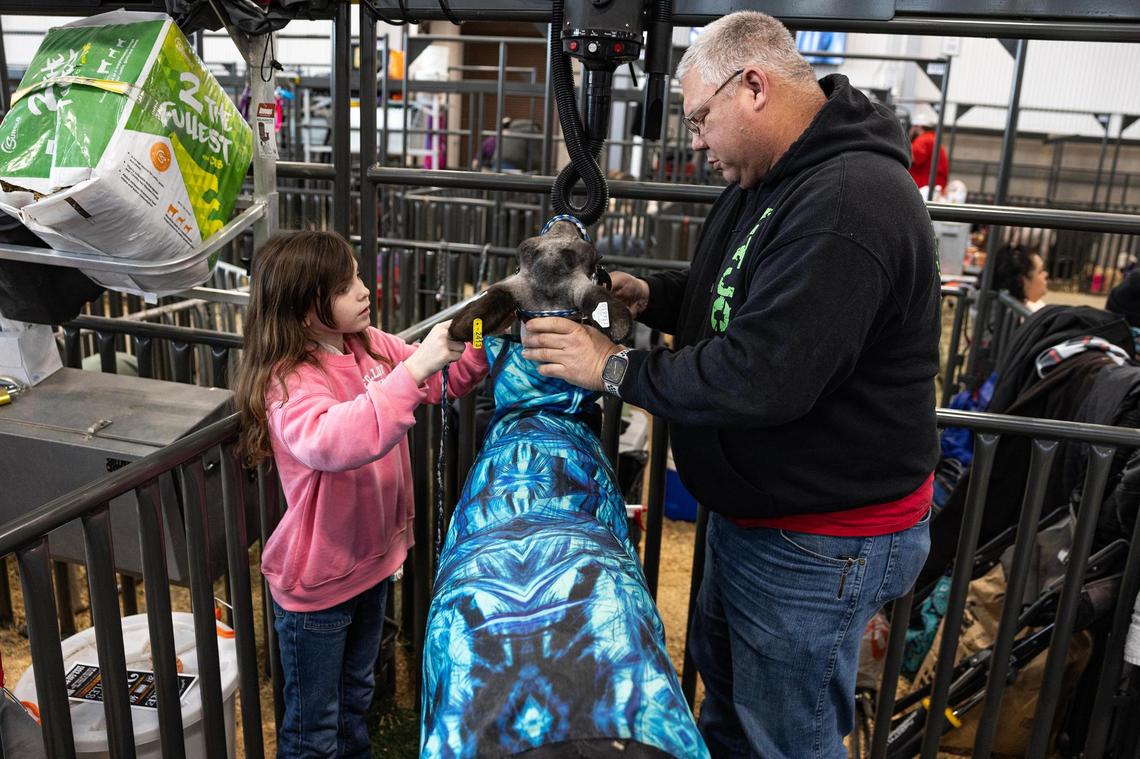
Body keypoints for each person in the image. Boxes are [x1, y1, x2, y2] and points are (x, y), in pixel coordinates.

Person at [520, 11, 939, 757]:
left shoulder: (846, 205)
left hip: (818, 537)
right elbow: (745, 297)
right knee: (734, 708)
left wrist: (611, 365)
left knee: (789, 735)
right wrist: (657, 293)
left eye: (701, 118)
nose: (697, 140)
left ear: (753, 86)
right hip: (764, 515)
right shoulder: (777, 175)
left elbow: (764, 373)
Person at [232, 231, 487, 758]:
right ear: (306, 309)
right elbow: (337, 439)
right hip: (319, 585)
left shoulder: (369, 344)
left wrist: (481, 325)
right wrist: (415, 368)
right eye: (346, 285)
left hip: (372, 565)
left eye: (357, 276)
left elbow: (444, 380)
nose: (364, 290)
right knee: (314, 724)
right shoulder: (290, 380)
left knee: (356, 699)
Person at [993, 243, 1049, 312]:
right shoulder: (1016, 314)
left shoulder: (1001, 306)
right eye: (1040, 271)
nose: (1046, 274)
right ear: (1023, 280)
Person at [908, 109, 949, 194]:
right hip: (935, 185)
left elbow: (911, 157)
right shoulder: (933, 138)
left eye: (912, 127)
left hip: (925, 186)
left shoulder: (923, 139)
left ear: (918, 126)